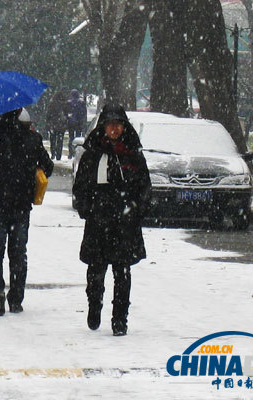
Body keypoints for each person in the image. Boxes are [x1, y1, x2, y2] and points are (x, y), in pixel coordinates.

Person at [72, 104, 150, 336]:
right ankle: (94, 306)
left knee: (122, 272)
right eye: (110, 124)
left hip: (124, 222)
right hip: (98, 219)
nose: (114, 129)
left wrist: (135, 209)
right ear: (103, 127)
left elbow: (144, 186)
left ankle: (120, 319)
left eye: (118, 125)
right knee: (96, 271)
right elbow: (81, 186)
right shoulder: (93, 154)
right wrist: (86, 208)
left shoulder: (132, 154)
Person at [0, 107, 53, 316]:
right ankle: (16, 297)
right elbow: (48, 166)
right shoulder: (31, 139)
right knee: (18, 252)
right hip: (21, 203)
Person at [45, 90, 68, 160]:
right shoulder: (65, 104)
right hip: (61, 126)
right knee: (60, 141)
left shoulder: (52, 104)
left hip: (53, 125)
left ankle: (53, 153)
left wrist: (48, 123)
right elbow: (67, 115)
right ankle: (59, 155)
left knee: (52, 140)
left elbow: (48, 115)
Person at [65, 89, 87, 159]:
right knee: (77, 138)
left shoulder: (68, 103)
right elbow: (84, 112)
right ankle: (76, 151)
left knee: (71, 138)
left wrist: (68, 118)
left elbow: (66, 113)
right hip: (79, 123)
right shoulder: (81, 102)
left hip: (71, 123)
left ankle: (71, 153)